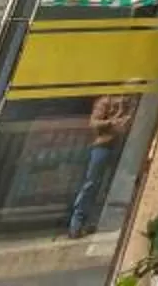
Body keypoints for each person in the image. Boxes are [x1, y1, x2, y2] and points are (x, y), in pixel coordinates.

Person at [63, 95, 135, 238]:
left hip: (122, 146)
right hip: (103, 146)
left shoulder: (132, 103)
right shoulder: (106, 101)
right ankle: (76, 225)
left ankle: (98, 221)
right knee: (92, 184)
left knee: (113, 184)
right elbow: (94, 123)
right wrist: (112, 122)